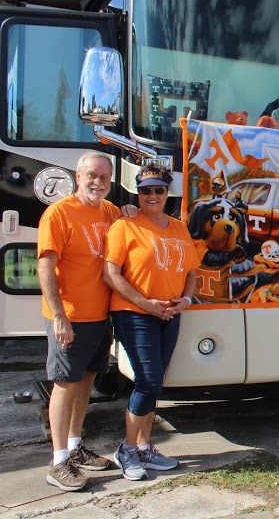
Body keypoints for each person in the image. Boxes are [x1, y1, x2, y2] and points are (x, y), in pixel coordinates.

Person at [37, 150, 136, 491]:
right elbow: (46, 267)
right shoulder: (58, 215)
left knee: (84, 383)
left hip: (99, 317)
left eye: (104, 178)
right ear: (77, 177)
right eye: (91, 175)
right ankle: (59, 461)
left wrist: (130, 211)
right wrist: (60, 318)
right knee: (65, 384)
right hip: (70, 318)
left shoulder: (108, 211)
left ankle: (76, 445)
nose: (98, 182)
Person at [103, 164, 200, 481]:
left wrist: (185, 300)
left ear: (167, 192)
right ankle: (127, 449)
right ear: (138, 193)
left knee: (156, 382)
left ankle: (145, 447)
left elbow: (191, 273)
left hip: (170, 314)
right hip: (134, 313)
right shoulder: (125, 225)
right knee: (147, 381)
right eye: (145, 190)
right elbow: (111, 274)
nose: (152, 195)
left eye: (158, 190)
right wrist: (146, 304)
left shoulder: (179, 228)